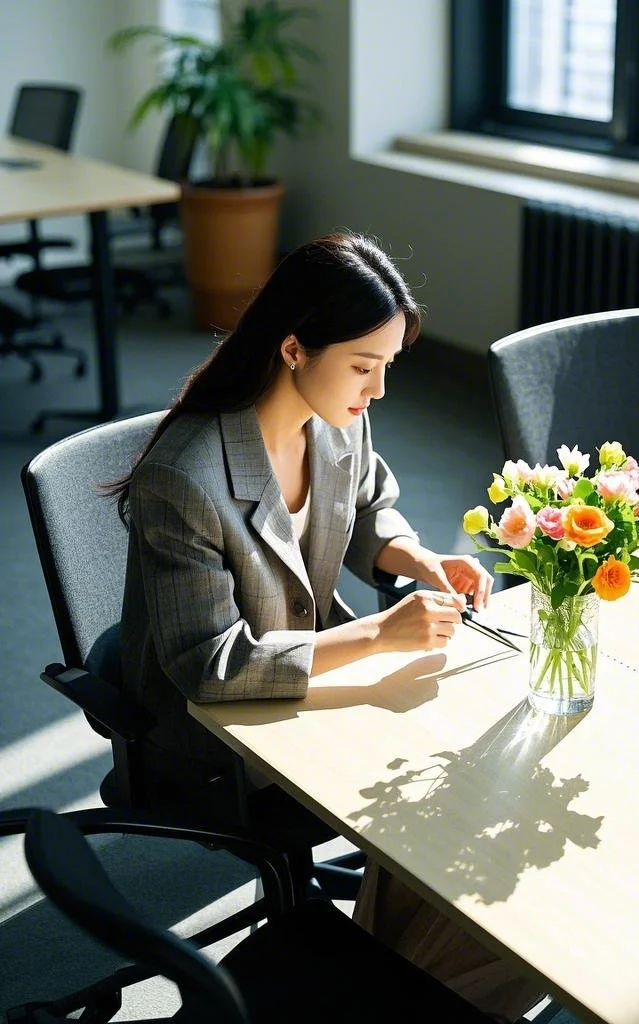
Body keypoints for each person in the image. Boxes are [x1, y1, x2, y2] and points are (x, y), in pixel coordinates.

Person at [111, 231, 542, 1021]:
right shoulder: (186, 476)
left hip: (313, 679)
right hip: (217, 737)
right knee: (448, 794)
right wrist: (378, 638)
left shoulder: (337, 419)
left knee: (474, 772)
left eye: (387, 368)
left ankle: (395, 969)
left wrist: (418, 559)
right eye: (363, 366)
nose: (377, 391)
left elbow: (370, 508)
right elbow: (210, 666)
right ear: (292, 349)